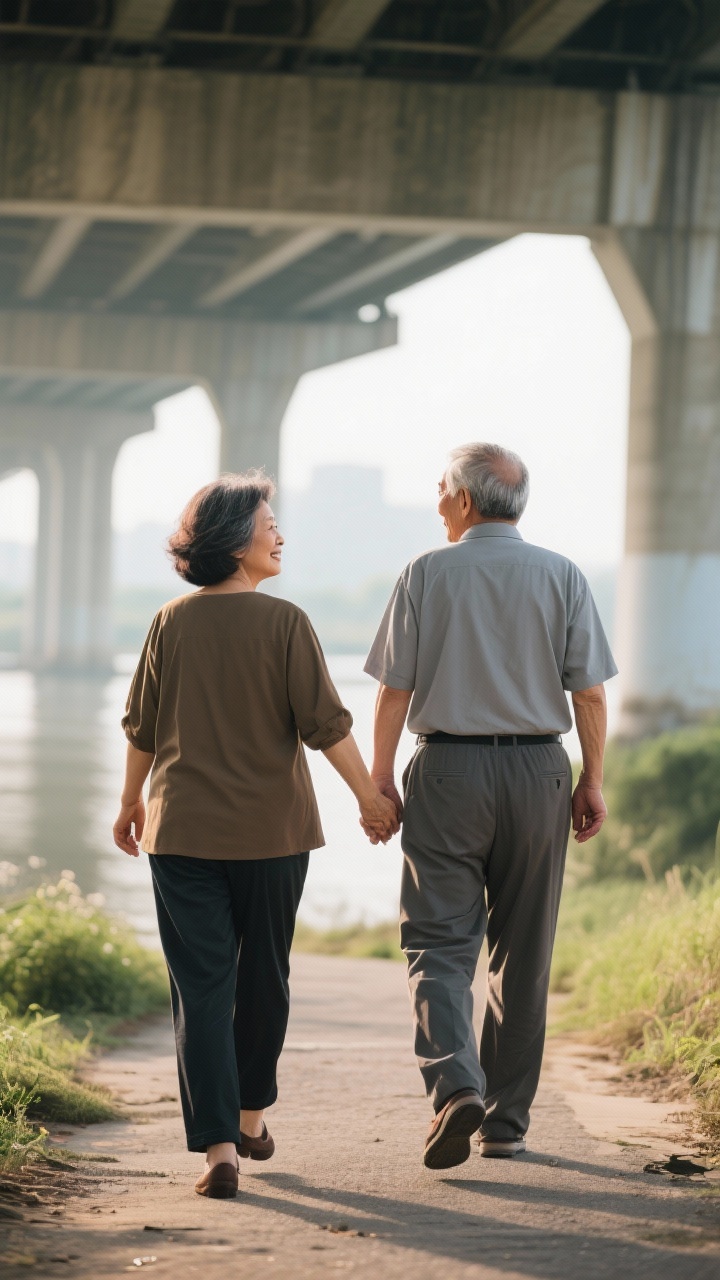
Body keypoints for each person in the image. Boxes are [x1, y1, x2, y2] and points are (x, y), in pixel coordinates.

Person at [113, 471, 398, 1199]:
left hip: (181, 833)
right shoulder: (286, 622)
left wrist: (128, 803)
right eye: (269, 523)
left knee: (202, 989)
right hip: (274, 835)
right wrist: (369, 799)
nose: (279, 534)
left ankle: (220, 1152)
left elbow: (141, 726)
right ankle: (249, 1115)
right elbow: (327, 729)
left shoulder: (170, 621)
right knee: (263, 977)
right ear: (236, 541)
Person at [364, 443, 617, 1170]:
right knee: (524, 953)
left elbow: (392, 692)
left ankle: (453, 1088)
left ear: (466, 501)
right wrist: (590, 779)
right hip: (540, 771)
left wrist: (381, 780)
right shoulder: (563, 573)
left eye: (441, 489)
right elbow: (590, 692)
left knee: (439, 945)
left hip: (447, 771)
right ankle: (504, 1124)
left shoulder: (425, 572)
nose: (436, 499)